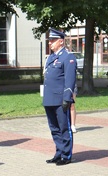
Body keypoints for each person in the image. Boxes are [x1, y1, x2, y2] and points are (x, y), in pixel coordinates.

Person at [42, 28, 76, 166]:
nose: (50, 43)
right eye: (50, 40)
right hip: (50, 98)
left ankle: (66, 155)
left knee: (64, 127)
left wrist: (67, 98)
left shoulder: (68, 57)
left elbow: (70, 80)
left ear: (61, 41)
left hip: (60, 99)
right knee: (54, 128)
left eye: (53, 40)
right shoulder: (51, 57)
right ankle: (59, 152)